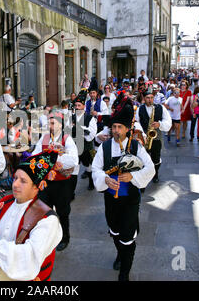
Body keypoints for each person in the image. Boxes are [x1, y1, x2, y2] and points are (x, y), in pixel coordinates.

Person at [0, 150, 62, 281]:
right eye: (15, 178)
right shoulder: (3, 203)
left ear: (36, 187)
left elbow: (29, 256)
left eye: (23, 181)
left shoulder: (47, 219)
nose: (15, 184)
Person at [92, 92, 155, 281]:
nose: (116, 131)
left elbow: (150, 168)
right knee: (115, 231)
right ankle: (120, 252)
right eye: (114, 127)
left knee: (127, 235)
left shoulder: (137, 147)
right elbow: (95, 168)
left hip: (130, 201)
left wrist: (132, 176)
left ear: (128, 129)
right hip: (111, 199)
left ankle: (125, 272)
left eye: (120, 127)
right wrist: (105, 178)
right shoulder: (105, 147)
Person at [32, 111, 79, 251]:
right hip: (46, 182)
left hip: (62, 183)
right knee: (44, 210)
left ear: (60, 124)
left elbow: (73, 160)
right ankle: (48, 236)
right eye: (49, 123)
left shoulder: (67, 139)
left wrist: (51, 160)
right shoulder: (44, 138)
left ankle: (65, 237)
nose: (50, 126)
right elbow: (35, 154)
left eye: (53, 123)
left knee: (63, 211)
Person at [136, 88, 172, 183]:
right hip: (144, 137)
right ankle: (145, 175)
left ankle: (155, 174)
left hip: (156, 137)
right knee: (143, 157)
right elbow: (136, 123)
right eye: (148, 98)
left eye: (152, 97)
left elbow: (168, 121)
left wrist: (159, 124)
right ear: (144, 98)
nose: (150, 100)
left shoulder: (161, 108)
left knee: (156, 157)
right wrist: (142, 134)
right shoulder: (140, 109)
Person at [71, 92, 97, 192]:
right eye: (76, 105)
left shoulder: (90, 118)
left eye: (79, 105)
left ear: (84, 106)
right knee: (74, 169)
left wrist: (79, 129)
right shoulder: (71, 118)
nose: (77, 107)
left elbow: (91, 134)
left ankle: (91, 182)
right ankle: (72, 192)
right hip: (74, 147)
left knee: (89, 166)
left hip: (87, 147)